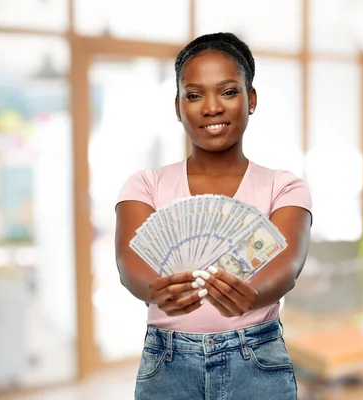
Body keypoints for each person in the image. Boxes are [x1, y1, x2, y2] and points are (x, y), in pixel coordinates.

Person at [115, 32, 312, 400]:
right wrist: (154, 289)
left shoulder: (283, 187)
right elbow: (129, 262)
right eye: (194, 95)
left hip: (258, 360)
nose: (211, 107)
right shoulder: (145, 185)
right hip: (167, 363)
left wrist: (252, 294)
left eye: (228, 91)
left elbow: (288, 263)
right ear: (178, 107)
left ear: (251, 99)